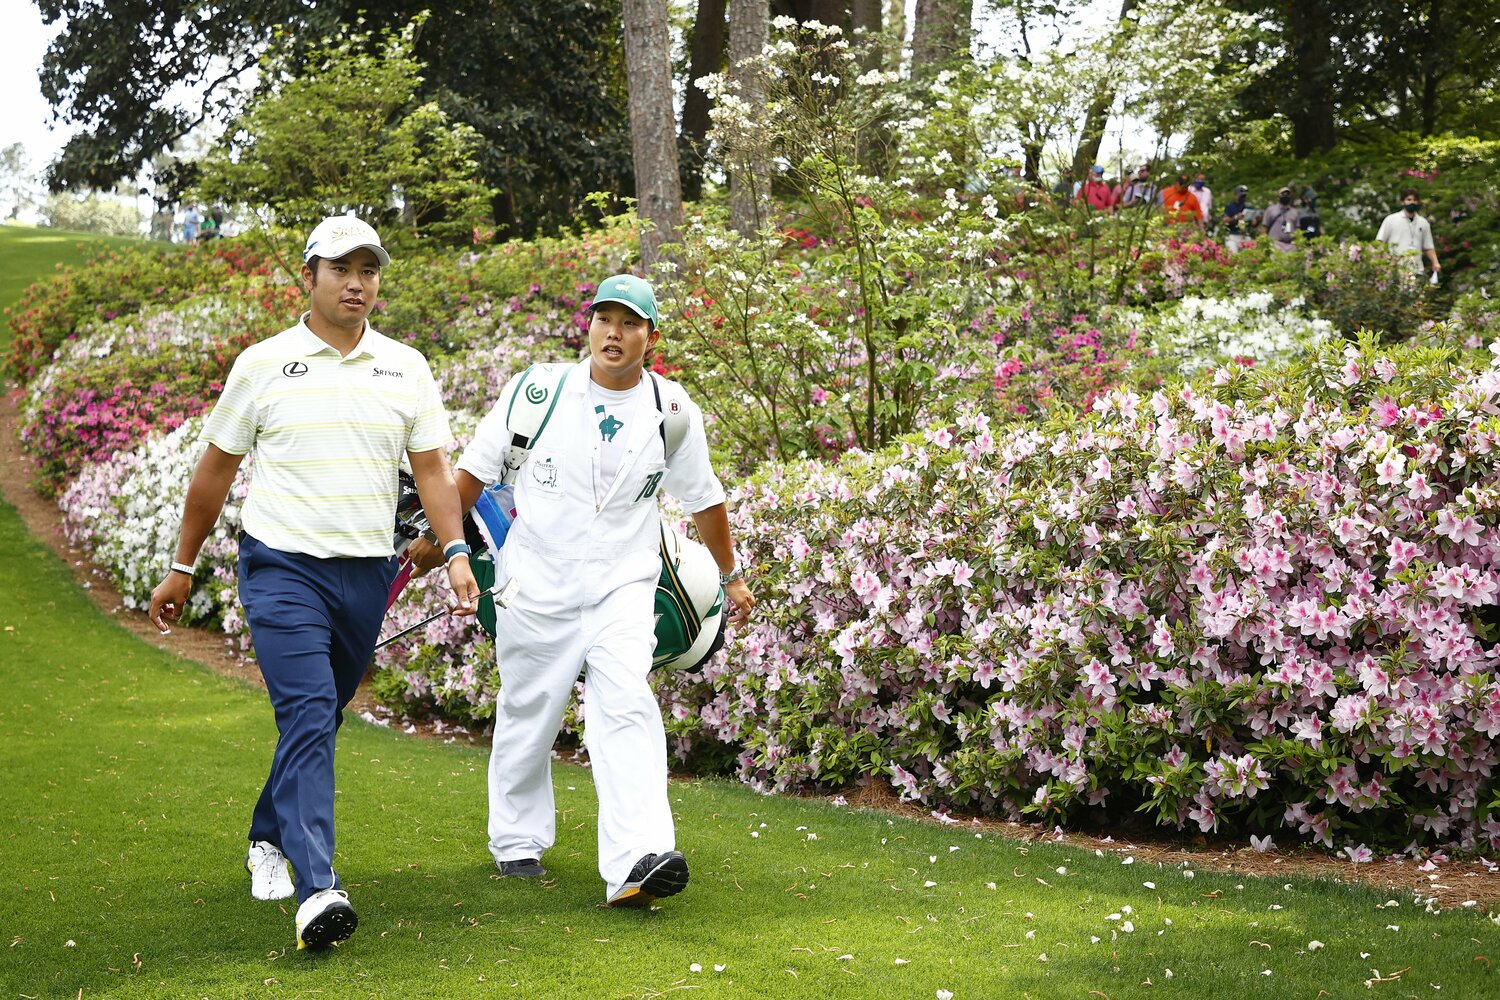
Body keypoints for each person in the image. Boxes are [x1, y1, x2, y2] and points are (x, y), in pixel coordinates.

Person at [146, 215, 480, 951]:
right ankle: (317, 885)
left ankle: (267, 835)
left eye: (368, 270)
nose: (356, 283)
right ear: (310, 277)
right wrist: (182, 565)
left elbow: (431, 470)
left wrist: (454, 549)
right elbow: (215, 472)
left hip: (366, 573)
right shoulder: (263, 364)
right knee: (306, 713)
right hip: (281, 566)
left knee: (320, 716)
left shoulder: (407, 367)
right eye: (341, 269)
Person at [442, 272, 755, 909]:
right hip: (536, 583)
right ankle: (517, 838)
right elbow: (472, 471)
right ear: (589, 325)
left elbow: (704, 499)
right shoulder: (538, 391)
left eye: (630, 322)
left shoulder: (672, 411)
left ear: (650, 336)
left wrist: (731, 573)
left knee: (626, 704)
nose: (615, 332)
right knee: (529, 713)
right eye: (605, 319)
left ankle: (637, 859)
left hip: (623, 585)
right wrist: (445, 545)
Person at [1375, 187, 1440, 279]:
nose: (1412, 202)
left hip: (1417, 270)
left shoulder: (1423, 223)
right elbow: (1379, 242)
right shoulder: (1391, 220)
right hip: (1396, 269)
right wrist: (1384, 260)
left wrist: (1435, 262)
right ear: (1403, 202)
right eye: (1409, 200)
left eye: (1414, 200)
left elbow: (1428, 247)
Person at [1259, 186, 1301, 252]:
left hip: (1290, 245)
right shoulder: (1271, 210)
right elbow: (1264, 227)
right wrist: (1264, 244)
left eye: (1287, 194)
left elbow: (1297, 230)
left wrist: (1298, 243)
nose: (1285, 196)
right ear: (1278, 196)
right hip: (1275, 243)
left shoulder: (1294, 212)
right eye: (1283, 194)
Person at [1222, 185, 1252, 253]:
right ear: (1236, 195)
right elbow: (1225, 220)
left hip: (1245, 235)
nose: (1243, 197)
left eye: (1244, 196)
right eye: (1241, 195)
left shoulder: (1248, 207)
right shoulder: (1230, 206)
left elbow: (1253, 224)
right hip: (1233, 235)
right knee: (1233, 255)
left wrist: (1258, 219)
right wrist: (1236, 218)